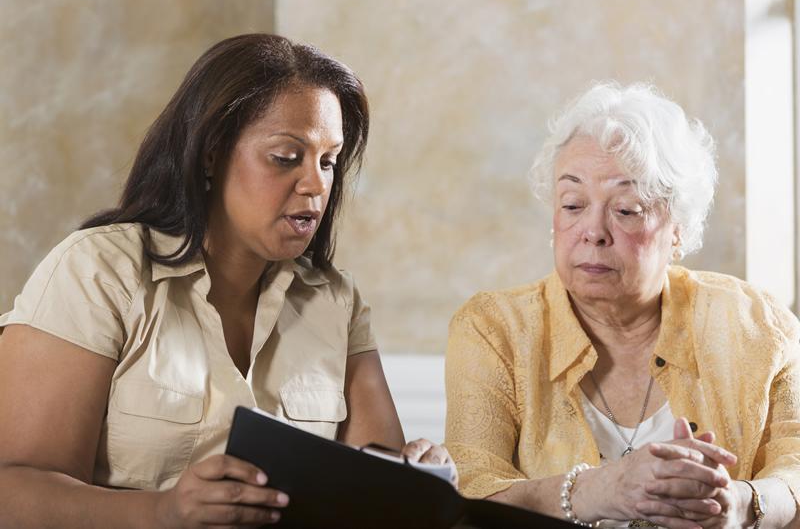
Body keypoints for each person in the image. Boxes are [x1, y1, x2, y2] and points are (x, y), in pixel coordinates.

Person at [0, 34, 453, 529]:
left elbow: (377, 497)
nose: (317, 185)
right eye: (286, 157)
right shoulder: (98, 272)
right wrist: (163, 511)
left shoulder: (335, 301)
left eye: (329, 161)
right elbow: (13, 490)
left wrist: (419, 476)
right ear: (211, 154)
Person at [445, 82, 800, 528]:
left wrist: (739, 504)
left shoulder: (757, 325)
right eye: (572, 204)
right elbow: (470, 489)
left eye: (627, 210)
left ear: (678, 230)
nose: (593, 231)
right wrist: (603, 489)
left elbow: (796, 464)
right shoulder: (495, 329)